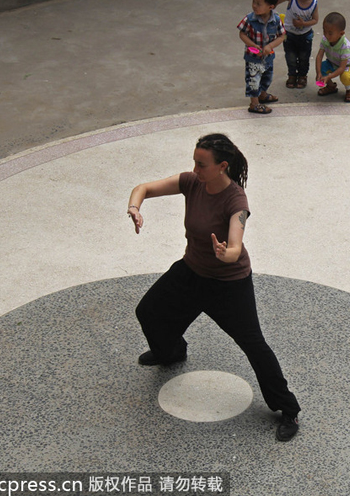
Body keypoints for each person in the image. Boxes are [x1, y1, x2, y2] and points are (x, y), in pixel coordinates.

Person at [127, 133, 301, 442]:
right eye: (194, 161)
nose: (194, 169)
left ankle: (288, 409)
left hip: (228, 285)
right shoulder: (192, 182)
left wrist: (226, 253)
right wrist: (135, 207)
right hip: (191, 271)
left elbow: (235, 245)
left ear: (222, 166)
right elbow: (144, 187)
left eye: (201, 164)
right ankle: (172, 351)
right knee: (148, 311)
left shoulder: (236, 201)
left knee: (254, 345)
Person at [237, 0, 285, 114]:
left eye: (258, 3)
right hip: (253, 58)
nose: (254, 6)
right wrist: (252, 44)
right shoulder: (249, 19)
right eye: (253, 2)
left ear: (271, 7)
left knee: (267, 77)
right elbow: (242, 33)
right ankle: (254, 103)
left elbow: (282, 36)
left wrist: (270, 45)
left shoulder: (275, 20)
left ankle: (262, 95)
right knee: (253, 80)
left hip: (268, 57)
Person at [277, 0, 320, 89]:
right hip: (289, 35)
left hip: (305, 36)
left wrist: (303, 23)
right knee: (290, 57)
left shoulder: (314, 4)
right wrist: (270, 7)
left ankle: (302, 76)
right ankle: (291, 75)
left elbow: (315, 20)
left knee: (304, 57)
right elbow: (277, 1)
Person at [315, 12, 350, 103]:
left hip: (348, 66)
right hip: (333, 62)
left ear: (341, 33)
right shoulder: (325, 39)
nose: (326, 35)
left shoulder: (345, 46)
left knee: (345, 77)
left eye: (330, 33)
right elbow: (319, 56)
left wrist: (329, 76)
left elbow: (342, 68)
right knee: (322, 67)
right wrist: (318, 72)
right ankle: (331, 86)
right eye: (324, 31)